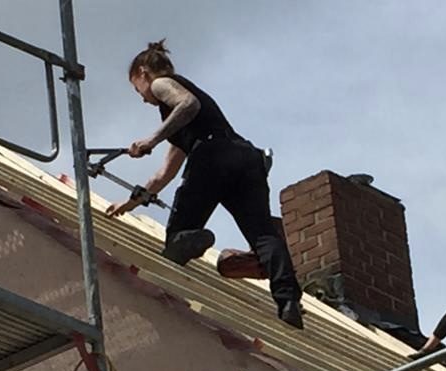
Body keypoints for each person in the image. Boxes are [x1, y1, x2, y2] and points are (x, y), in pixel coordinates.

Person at [106, 40, 304, 329]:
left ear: (143, 73)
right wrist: (129, 203)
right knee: (263, 235)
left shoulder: (162, 84)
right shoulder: (184, 126)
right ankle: (288, 302)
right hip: (246, 159)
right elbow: (164, 174)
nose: (143, 99)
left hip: (213, 156)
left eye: (138, 89)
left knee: (177, 235)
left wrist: (151, 139)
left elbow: (188, 104)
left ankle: (187, 239)